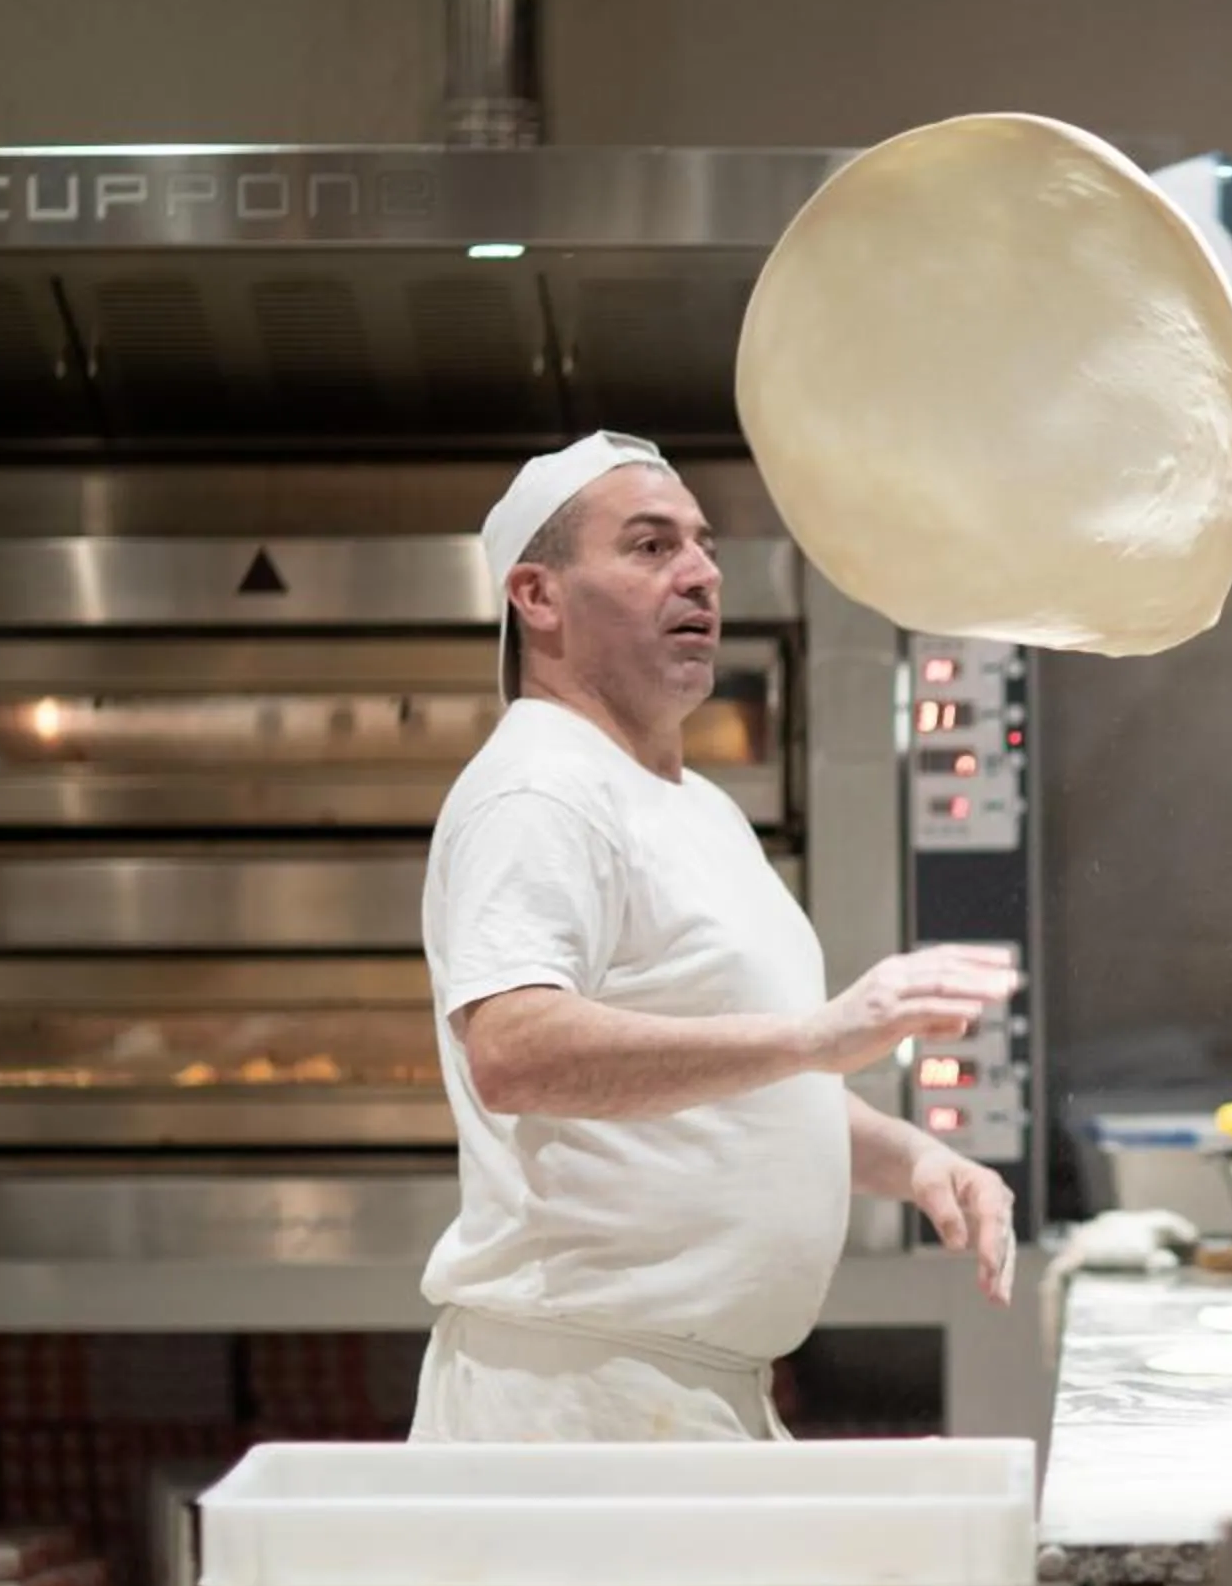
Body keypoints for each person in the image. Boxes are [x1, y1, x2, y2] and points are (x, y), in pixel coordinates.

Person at [409, 430, 1023, 1442]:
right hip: (578, 1405)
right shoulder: (539, 787)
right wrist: (816, 1039)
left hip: (680, 1389)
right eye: (650, 547)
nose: (700, 572)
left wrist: (911, 1158)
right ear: (539, 595)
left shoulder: (692, 806)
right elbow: (513, 1051)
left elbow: (736, 1090)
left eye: (703, 545)